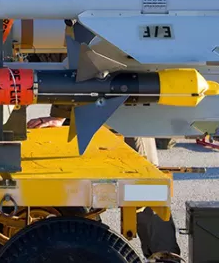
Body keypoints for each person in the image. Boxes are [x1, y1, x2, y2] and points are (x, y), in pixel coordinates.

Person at [27, 112, 183, 261]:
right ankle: (98, 249)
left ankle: (165, 257)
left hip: (126, 112)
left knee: (145, 192)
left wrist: (59, 115)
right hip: (80, 115)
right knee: (79, 192)